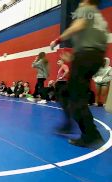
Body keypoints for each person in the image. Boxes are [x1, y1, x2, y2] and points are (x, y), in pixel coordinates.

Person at [50, 0, 109, 147]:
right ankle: (69, 123)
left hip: (86, 56)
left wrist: (58, 39)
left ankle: (91, 134)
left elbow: (79, 25)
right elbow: (95, 45)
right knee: (65, 92)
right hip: (93, 57)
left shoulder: (86, 9)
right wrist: (75, 58)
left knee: (77, 98)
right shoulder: (99, 18)